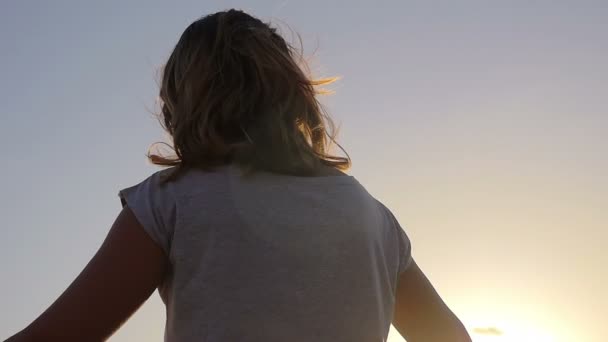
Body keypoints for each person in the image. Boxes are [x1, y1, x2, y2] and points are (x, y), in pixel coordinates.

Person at [5, 9, 471, 342]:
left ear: (183, 104)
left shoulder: (173, 200)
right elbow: (450, 337)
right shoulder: (374, 217)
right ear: (294, 95)